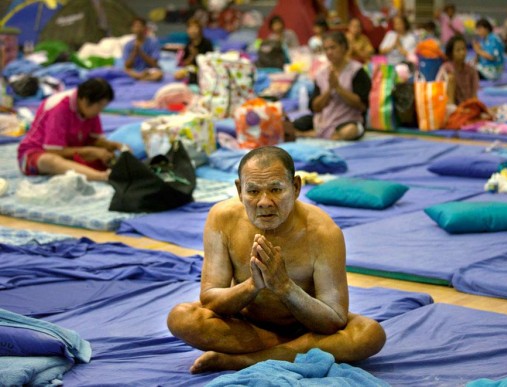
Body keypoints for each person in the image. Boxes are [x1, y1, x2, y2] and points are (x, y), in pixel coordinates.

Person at [167, 146, 386, 373]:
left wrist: (285, 287)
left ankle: (246, 360)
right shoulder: (222, 218)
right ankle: (287, 352)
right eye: (252, 192)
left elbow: (334, 319)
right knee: (182, 317)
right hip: (249, 327)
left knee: (369, 334)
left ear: (296, 187)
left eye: (275, 189)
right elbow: (211, 300)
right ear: (239, 190)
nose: (264, 202)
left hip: (309, 329)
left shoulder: (323, 232)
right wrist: (252, 286)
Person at [17, 78, 122, 182]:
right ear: (85, 100)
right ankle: (102, 176)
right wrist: (90, 151)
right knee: (49, 160)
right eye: (99, 106)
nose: (100, 111)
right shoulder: (59, 108)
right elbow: (53, 150)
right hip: (36, 153)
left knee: (105, 155)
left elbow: (94, 140)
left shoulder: (89, 109)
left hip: (69, 150)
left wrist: (114, 146)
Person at [292, 31, 371, 140]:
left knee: (350, 131)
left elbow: (362, 105)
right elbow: (315, 107)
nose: (329, 52)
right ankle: (321, 134)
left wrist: (339, 88)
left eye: (333, 48)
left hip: (348, 119)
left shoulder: (357, 71)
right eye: (326, 49)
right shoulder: (321, 73)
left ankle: (314, 134)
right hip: (324, 119)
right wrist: (329, 90)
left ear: (343, 47)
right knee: (293, 124)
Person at [436, 35, 479, 105]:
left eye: (464, 49)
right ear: (451, 53)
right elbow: (439, 90)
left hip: (467, 105)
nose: (462, 53)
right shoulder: (446, 68)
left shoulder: (471, 70)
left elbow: (474, 94)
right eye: (458, 50)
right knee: (450, 78)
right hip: (449, 105)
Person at [174, 17, 214, 84]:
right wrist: (192, 56)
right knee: (177, 75)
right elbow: (185, 64)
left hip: (204, 70)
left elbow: (210, 61)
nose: (192, 30)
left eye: (195, 28)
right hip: (191, 69)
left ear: (200, 30)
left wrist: (197, 55)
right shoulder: (189, 45)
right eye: (190, 28)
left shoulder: (207, 43)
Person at [123, 17, 163, 82]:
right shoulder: (128, 45)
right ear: (132, 29)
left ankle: (143, 78)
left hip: (149, 70)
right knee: (126, 71)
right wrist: (134, 52)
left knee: (159, 74)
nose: (138, 29)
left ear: (145, 28)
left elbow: (154, 64)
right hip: (135, 71)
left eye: (140, 26)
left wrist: (141, 52)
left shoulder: (153, 42)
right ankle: (142, 77)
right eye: (135, 27)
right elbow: (127, 65)